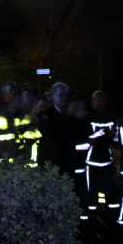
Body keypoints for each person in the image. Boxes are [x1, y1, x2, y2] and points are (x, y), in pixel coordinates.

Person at [38, 83, 92, 223]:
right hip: (50, 163)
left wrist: (80, 117)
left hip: (68, 162)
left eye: (66, 95)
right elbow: (49, 130)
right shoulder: (46, 114)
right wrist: (69, 115)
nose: (63, 98)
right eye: (60, 95)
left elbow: (84, 134)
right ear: (53, 96)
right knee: (50, 197)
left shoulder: (70, 115)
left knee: (67, 195)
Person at [82, 91, 120, 219]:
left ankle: (108, 214)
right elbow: (85, 137)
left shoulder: (111, 116)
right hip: (91, 159)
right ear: (93, 102)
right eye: (97, 101)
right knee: (92, 189)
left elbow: (116, 137)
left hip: (107, 159)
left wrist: (112, 135)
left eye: (102, 101)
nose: (100, 104)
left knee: (108, 188)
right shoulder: (88, 117)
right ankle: (91, 214)